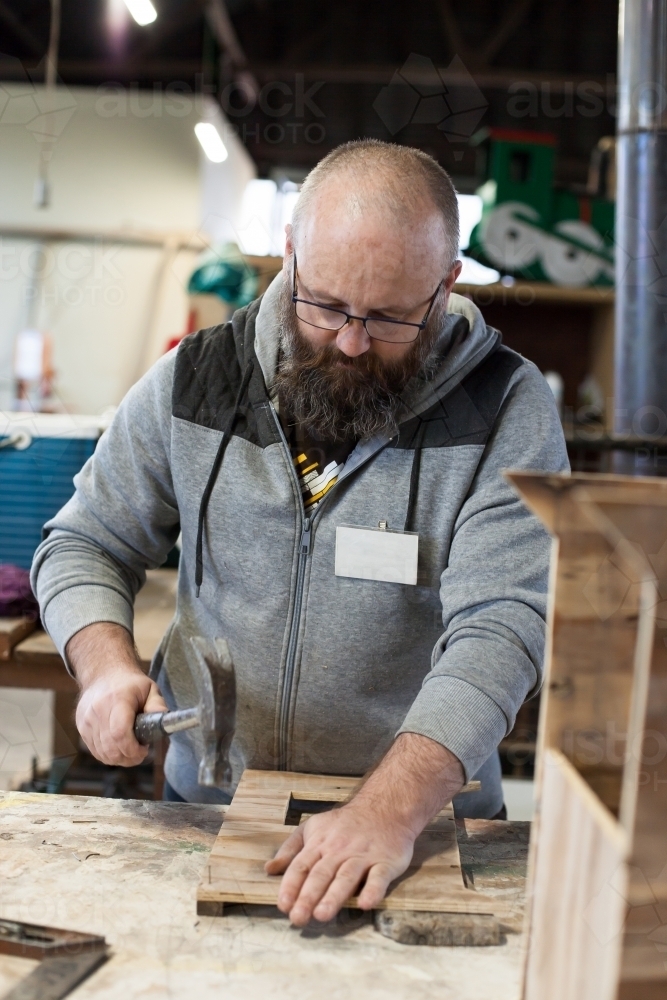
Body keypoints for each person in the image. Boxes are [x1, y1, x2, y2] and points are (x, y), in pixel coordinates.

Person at [32, 139, 568, 927]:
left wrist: (388, 811)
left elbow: (505, 626)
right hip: (207, 807)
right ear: (289, 255)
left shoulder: (503, 408)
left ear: (446, 284)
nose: (350, 342)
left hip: (415, 829)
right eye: (323, 306)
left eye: (388, 317)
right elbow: (86, 541)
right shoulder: (197, 380)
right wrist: (104, 665)